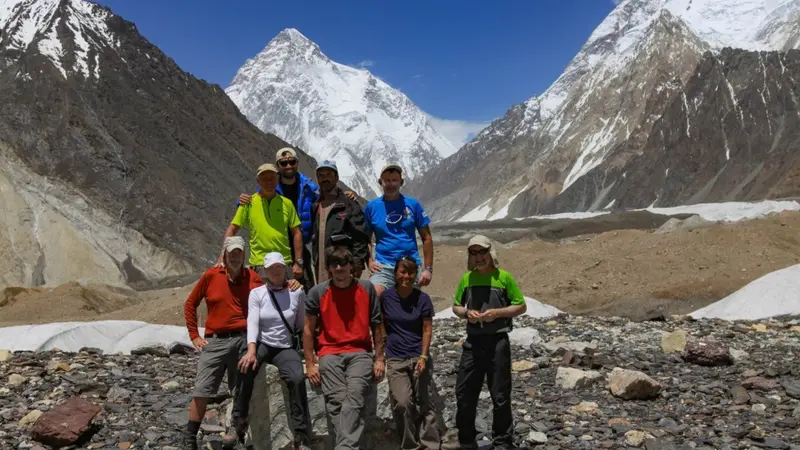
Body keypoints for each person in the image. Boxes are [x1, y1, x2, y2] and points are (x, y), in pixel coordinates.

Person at [183, 236, 263, 450]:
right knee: (202, 388)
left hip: (243, 339)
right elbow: (190, 304)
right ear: (225, 254)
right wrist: (194, 335)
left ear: (244, 254)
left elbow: (272, 296)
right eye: (232, 253)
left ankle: (236, 429)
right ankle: (190, 435)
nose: (235, 257)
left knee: (240, 388)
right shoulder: (211, 275)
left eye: (239, 253)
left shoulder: (253, 277)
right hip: (215, 341)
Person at [303, 246, 385, 450]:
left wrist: (380, 358)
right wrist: (311, 363)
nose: (339, 268)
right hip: (329, 352)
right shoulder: (317, 292)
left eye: (343, 264)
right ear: (329, 268)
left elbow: (377, 325)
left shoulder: (366, 289)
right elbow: (308, 330)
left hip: (360, 352)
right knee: (337, 400)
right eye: (334, 264)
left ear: (351, 266)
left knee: (355, 394)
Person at [237, 147, 358, 286]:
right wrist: (240, 200)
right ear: (278, 167)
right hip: (278, 248)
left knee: (305, 288)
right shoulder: (271, 187)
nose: (288, 166)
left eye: (292, 162)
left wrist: (344, 194)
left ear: (297, 163)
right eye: (283, 163)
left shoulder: (308, 187)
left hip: (300, 247)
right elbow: (253, 200)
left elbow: (326, 195)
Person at [450, 235, 527, 450]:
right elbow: (456, 306)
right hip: (473, 342)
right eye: (473, 253)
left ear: (490, 253)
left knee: (500, 395)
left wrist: (498, 313)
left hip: (498, 342)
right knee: (464, 392)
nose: (478, 257)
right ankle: (467, 440)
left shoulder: (504, 278)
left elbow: (520, 306)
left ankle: (502, 442)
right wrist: (466, 313)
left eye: (482, 252)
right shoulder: (467, 279)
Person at [236, 252, 312, 450]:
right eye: (271, 268)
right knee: (246, 366)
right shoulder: (257, 293)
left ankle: (300, 432)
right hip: (262, 343)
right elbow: (252, 321)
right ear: (264, 271)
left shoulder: (297, 292)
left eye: (279, 267)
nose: (276, 271)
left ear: (284, 268)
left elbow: (300, 322)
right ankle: (239, 418)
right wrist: (251, 350)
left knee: (296, 378)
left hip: (284, 346)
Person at [381, 256, 440, 449]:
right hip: (396, 358)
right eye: (402, 272)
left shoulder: (422, 299)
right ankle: (410, 445)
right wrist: (380, 355)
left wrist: (423, 356)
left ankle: (430, 444)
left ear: (415, 275)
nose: (406, 276)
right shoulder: (386, 298)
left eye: (410, 272)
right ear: (396, 273)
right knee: (403, 402)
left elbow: (427, 329)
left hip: (418, 356)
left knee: (424, 401)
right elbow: (381, 327)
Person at [221, 162, 303, 281]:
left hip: (284, 263)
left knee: (288, 299)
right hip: (260, 264)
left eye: (272, 178)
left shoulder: (287, 203)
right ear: (258, 181)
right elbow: (232, 228)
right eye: (264, 179)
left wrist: (298, 263)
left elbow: (297, 233)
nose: (269, 182)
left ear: (278, 179)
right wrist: (223, 255)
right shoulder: (248, 203)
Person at [364, 164, 434, 297]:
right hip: (383, 266)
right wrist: (369, 260)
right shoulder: (371, 207)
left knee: (410, 307)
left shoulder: (413, 205)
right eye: (387, 180)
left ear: (401, 182)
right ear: (380, 182)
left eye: (394, 180)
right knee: (373, 296)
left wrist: (428, 269)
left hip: (410, 264)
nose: (391, 184)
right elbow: (365, 238)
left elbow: (427, 238)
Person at [310, 160, 371, 283]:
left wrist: (357, 263)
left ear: (336, 177)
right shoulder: (316, 204)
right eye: (321, 175)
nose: (324, 179)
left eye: (328, 175)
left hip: (343, 266)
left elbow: (360, 236)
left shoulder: (348, 202)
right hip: (321, 265)